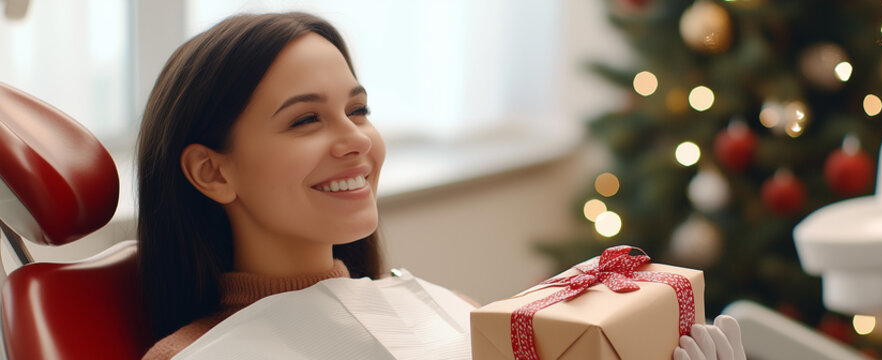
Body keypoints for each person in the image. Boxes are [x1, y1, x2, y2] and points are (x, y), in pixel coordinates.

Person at [136, 12, 745, 360]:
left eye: (359, 109)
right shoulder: (201, 355)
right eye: (305, 119)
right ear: (212, 172)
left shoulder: (449, 308)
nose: (354, 140)